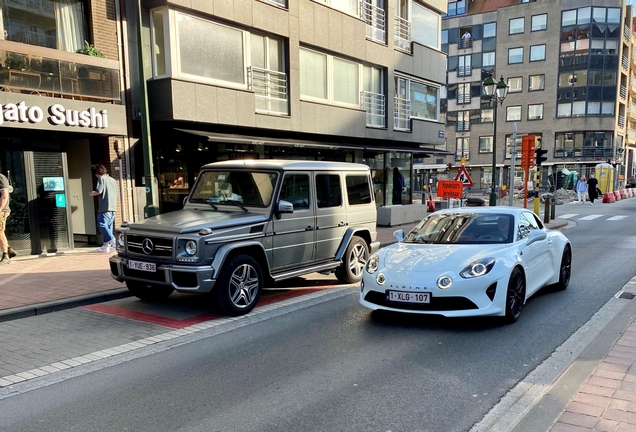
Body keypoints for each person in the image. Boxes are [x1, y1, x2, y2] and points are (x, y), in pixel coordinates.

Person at [90, 164, 118, 253]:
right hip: (113, 206)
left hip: (105, 206)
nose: (95, 176)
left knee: (102, 224)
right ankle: (106, 245)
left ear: (97, 173)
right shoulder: (112, 180)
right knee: (108, 226)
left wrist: (91, 193)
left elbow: (99, 191)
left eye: (95, 174)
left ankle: (114, 242)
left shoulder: (101, 179)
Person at [0, 172, 15, 265]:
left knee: (0, 232)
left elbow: (5, 195)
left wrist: (0, 209)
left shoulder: (0, 178)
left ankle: (6, 256)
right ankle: (9, 250)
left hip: (2, 211)